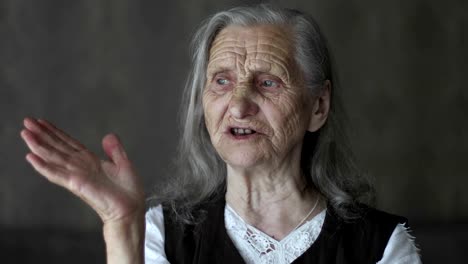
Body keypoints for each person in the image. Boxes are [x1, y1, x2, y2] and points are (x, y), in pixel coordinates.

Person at [20, 4, 421, 264]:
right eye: (222, 81)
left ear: (318, 106)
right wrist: (122, 225)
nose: (239, 104)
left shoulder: (382, 245)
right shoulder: (162, 232)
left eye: (267, 83)